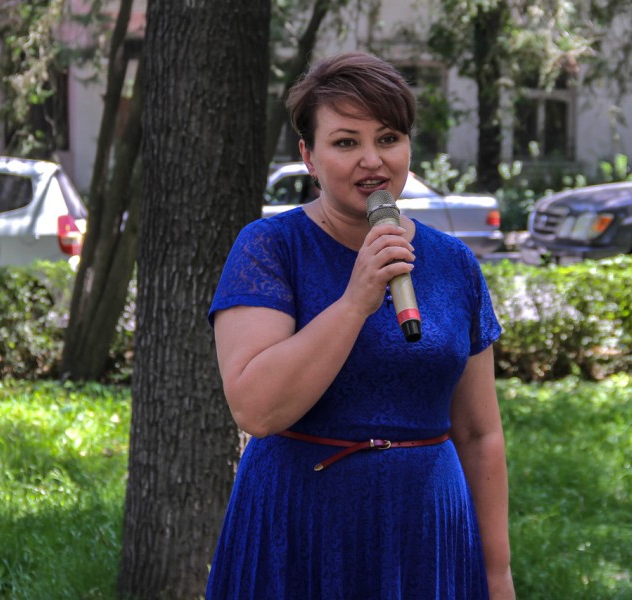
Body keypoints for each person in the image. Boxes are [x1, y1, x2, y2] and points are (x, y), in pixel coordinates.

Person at [207, 51, 514, 599]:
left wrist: (497, 574)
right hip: (298, 526)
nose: (373, 160)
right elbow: (255, 409)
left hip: (426, 530)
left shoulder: (455, 263)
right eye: (346, 142)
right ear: (309, 156)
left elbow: (479, 432)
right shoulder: (269, 248)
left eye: (389, 138)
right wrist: (354, 302)